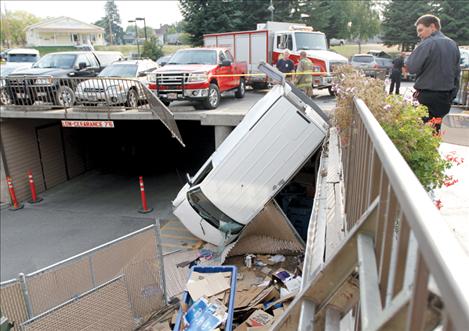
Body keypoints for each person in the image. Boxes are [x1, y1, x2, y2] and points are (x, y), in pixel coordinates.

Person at [407, 14, 460, 132]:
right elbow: (457, 73)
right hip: (445, 97)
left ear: (432, 27)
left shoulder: (427, 43)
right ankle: (433, 149)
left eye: (421, 30)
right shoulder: (453, 44)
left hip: (427, 96)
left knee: (421, 133)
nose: (418, 34)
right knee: (435, 131)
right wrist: (452, 96)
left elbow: (411, 67)